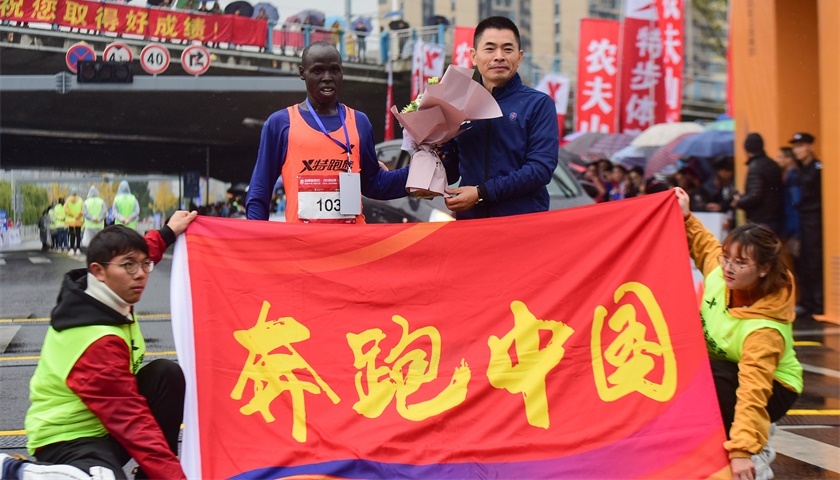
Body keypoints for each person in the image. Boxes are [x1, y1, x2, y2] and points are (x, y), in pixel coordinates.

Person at [2, 211, 199, 480]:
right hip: (68, 437)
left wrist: (168, 231)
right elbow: (134, 425)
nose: (141, 275)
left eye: (145, 265)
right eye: (130, 266)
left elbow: (135, 253)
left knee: (166, 374)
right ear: (98, 271)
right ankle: (16, 472)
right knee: (106, 476)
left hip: (105, 426)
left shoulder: (108, 290)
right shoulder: (96, 341)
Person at [675, 187, 802, 480]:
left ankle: (757, 449)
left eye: (740, 263)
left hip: (773, 386)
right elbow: (704, 245)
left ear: (764, 269)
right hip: (727, 369)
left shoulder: (764, 329)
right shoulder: (721, 274)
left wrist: (742, 451)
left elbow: (753, 391)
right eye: (727, 258)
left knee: (713, 384)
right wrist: (685, 216)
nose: (729, 268)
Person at [246, 41, 408, 223]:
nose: (327, 77)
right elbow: (260, 192)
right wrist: (255, 237)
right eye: (318, 71)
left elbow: (375, 184)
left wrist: (426, 168)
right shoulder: (281, 124)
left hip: (352, 239)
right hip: (303, 240)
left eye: (334, 70)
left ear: (342, 72)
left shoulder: (359, 122)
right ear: (302, 73)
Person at [443, 16, 558, 219]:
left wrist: (481, 193)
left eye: (507, 49)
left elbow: (540, 169)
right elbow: (451, 171)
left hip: (522, 223)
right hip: (470, 223)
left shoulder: (538, 104)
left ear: (519, 57)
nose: (499, 56)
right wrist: (436, 150)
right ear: (473, 56)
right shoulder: (458, 103)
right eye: (490, 49)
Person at [789, 132, 822, 317]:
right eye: (795, 147)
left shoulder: (817, 168)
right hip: (802, 219)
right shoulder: (800, 170)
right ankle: (807, 301)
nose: (797, 150)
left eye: (800, 146)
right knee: (803, 262)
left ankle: (818, 302)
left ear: (810, 147)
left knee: (814, 261)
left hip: (814, 219)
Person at [733, 133, 784, 236]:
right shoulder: (772, 164)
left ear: (747, 149)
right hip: (775, 216)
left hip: (760, 219)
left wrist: (739, 201)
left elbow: (755, 195)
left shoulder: (755, 167)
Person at [64, 188, 84, 256]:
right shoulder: (80, 200)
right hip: (78, 220)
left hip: (71, 220)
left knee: (71, 235)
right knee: (78, 235)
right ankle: (78, 249)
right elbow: (83, 209)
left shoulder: (68, 200)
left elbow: (66, 210)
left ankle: (72, 249)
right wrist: (78, 215)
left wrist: (72, 215)